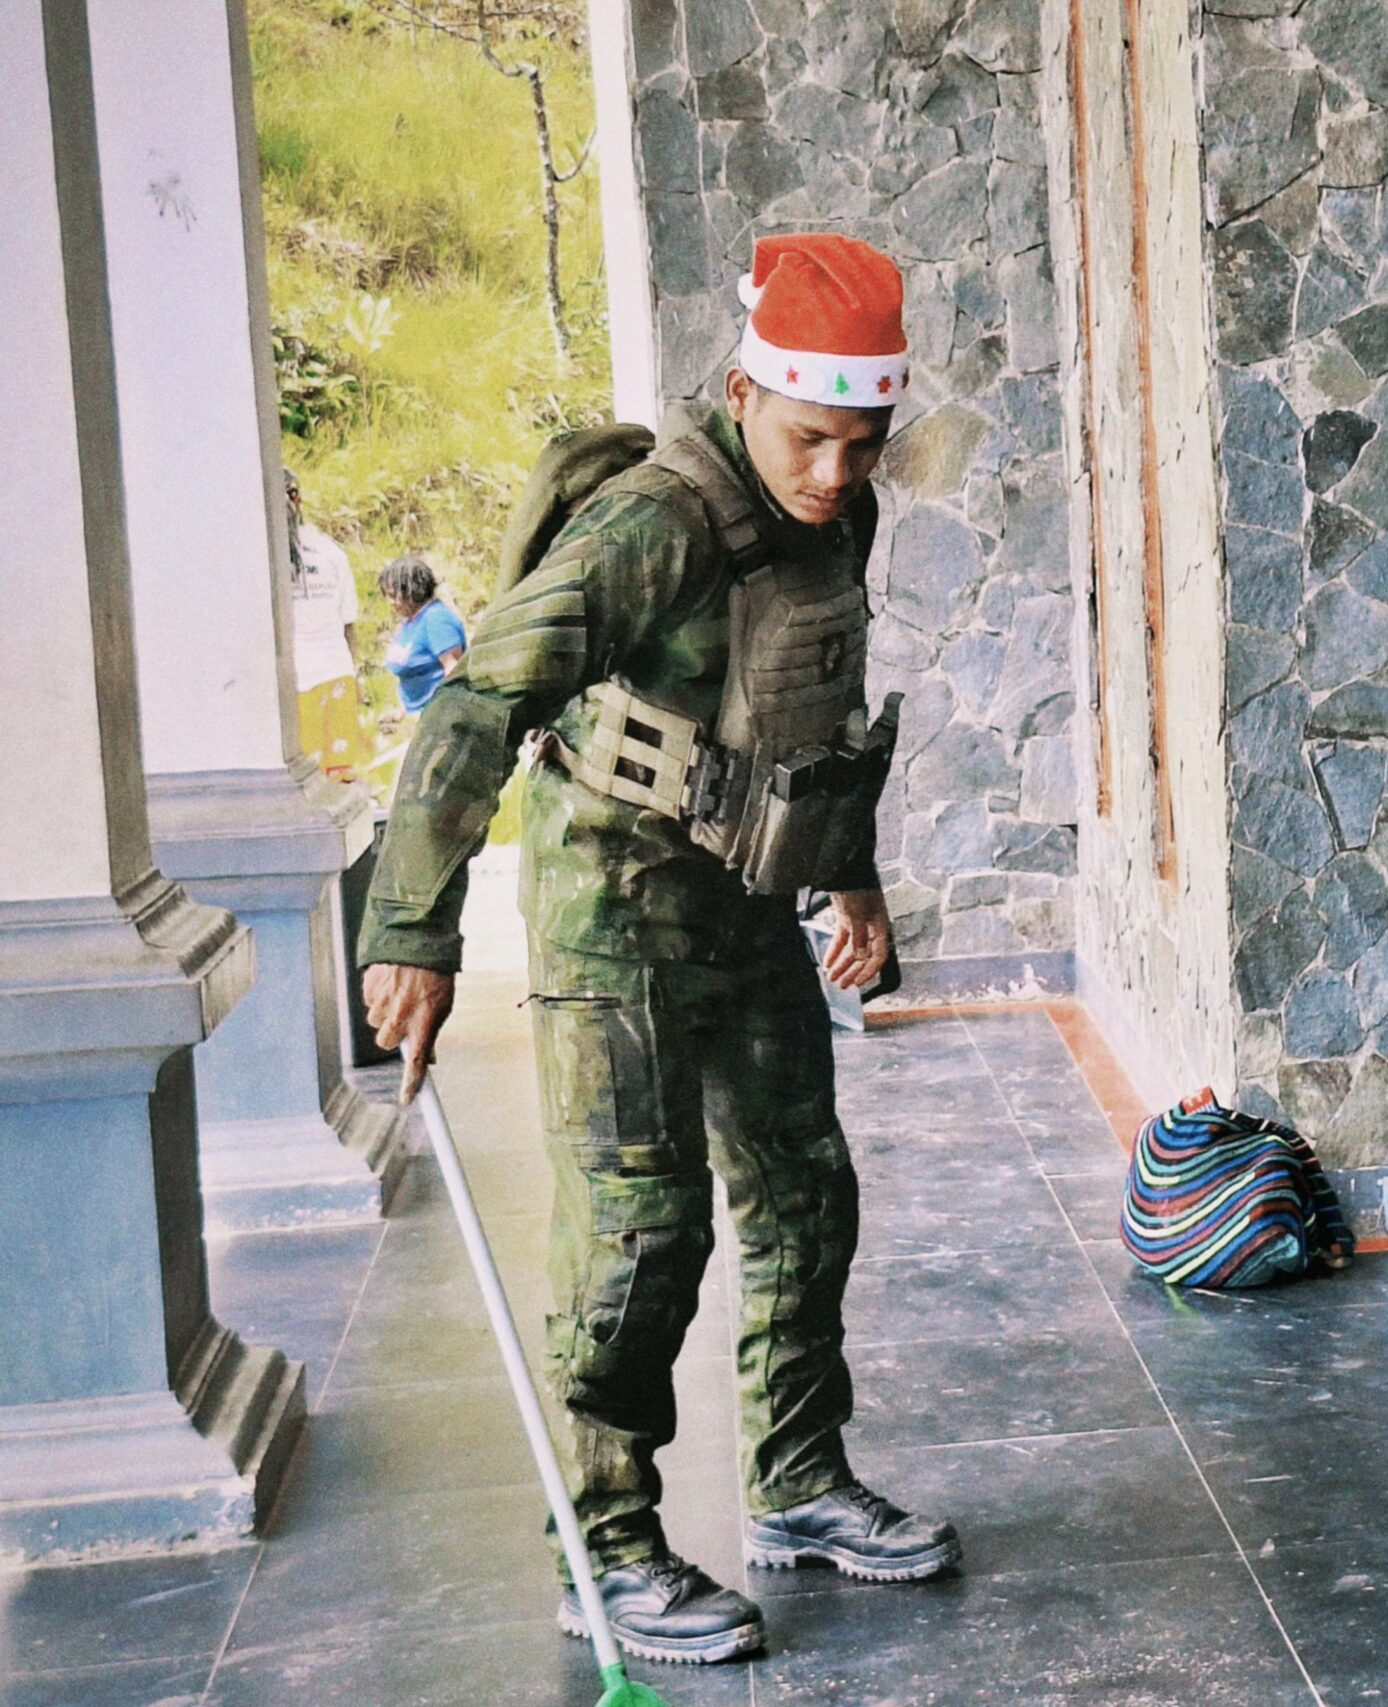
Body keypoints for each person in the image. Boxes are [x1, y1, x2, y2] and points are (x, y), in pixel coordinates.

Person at [357, 233, 954, 1667]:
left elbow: (819, 714)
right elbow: (477, 700)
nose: (836, 472)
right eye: (813, 438)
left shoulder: (837, 512)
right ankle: (608, 1542)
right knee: (641, 1233)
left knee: (807, 1197)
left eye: (864, 446)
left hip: (746, 898)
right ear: (747, 389)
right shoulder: (649, 527)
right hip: (609, 908)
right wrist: (411, 928)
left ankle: (800, 1483)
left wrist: (850, 879)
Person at [283, 468, 371, 782]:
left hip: (293, 683)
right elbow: (348, 624)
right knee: (339, 777)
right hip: (335, 674)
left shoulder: (264, 557)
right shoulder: (330, 552)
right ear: (299, 498)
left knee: (303, 780)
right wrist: (355, 676)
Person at [378, 554, 468, 714]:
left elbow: (454, 671)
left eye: (393, 596)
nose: (390, 603)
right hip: (417, 718)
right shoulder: (411, 622)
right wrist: (401, 713)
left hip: (437, 718)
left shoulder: (437, 619)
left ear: (412, 592)